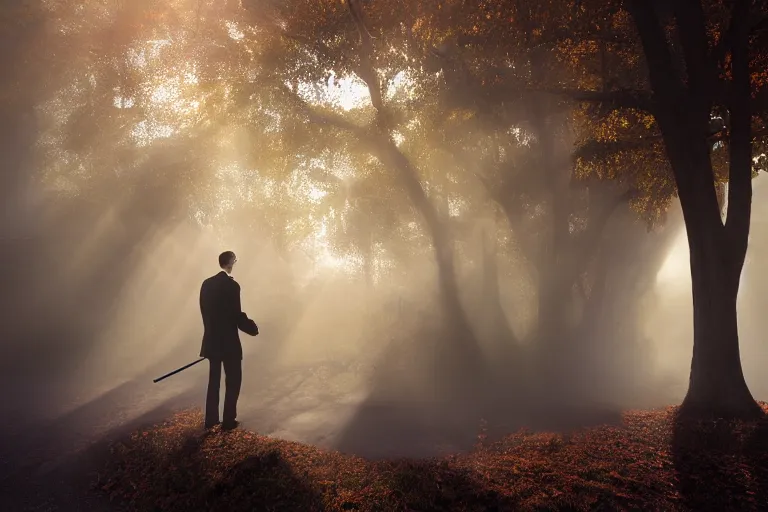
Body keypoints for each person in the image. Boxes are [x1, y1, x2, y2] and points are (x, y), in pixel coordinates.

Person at [199, 251, 258, 430]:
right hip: (229, 343)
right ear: (231, 262)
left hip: (211, 341)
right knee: (233, 380)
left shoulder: (206, 284)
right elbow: (236, 315)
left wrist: (211, 334)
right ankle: (228, 421)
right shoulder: (232, 286)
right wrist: (251, 328)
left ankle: (211, 420)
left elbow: (205, 312)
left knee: (214, 381)